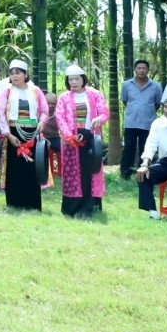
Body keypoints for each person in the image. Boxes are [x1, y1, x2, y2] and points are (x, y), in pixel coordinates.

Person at [54, 64, 108, 218]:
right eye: (70, 79)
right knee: (73, 174)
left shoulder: (95, 94)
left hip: (90, 137)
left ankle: (90, 207)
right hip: (71, 139)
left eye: (76, 79)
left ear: (83, 79)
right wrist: (68, 135)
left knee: (91, 171)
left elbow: (104, 112)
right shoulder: (63, 97)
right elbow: (60, 117)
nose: (73, 82)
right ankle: (72, 208)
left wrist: (99, 119)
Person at [0, 59, 48, 211]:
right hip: (13, 132)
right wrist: (7, 134)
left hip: (32, 132)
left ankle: (32, 204)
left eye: (18, 73)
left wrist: (41, 123)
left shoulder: (35, 91)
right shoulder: (6, 91)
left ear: (26, 74)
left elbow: (45, 111)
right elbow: (0, 114)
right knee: (14, 169)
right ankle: (14, 203)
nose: (14, 76)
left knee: (32, 168)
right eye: (12, 74)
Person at [120, 60, 162, 177]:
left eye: (144, 68)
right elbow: (125, 101)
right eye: (139, 68)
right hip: (131, 122)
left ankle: (144, 170)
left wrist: (146, 110)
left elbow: (157, 103)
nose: (141, 70)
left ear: (148, 70)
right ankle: (125, 172)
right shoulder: (127, 85)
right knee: (129, 148)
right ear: (135, 69)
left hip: (148, 122)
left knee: (146, 147)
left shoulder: (156, 86)